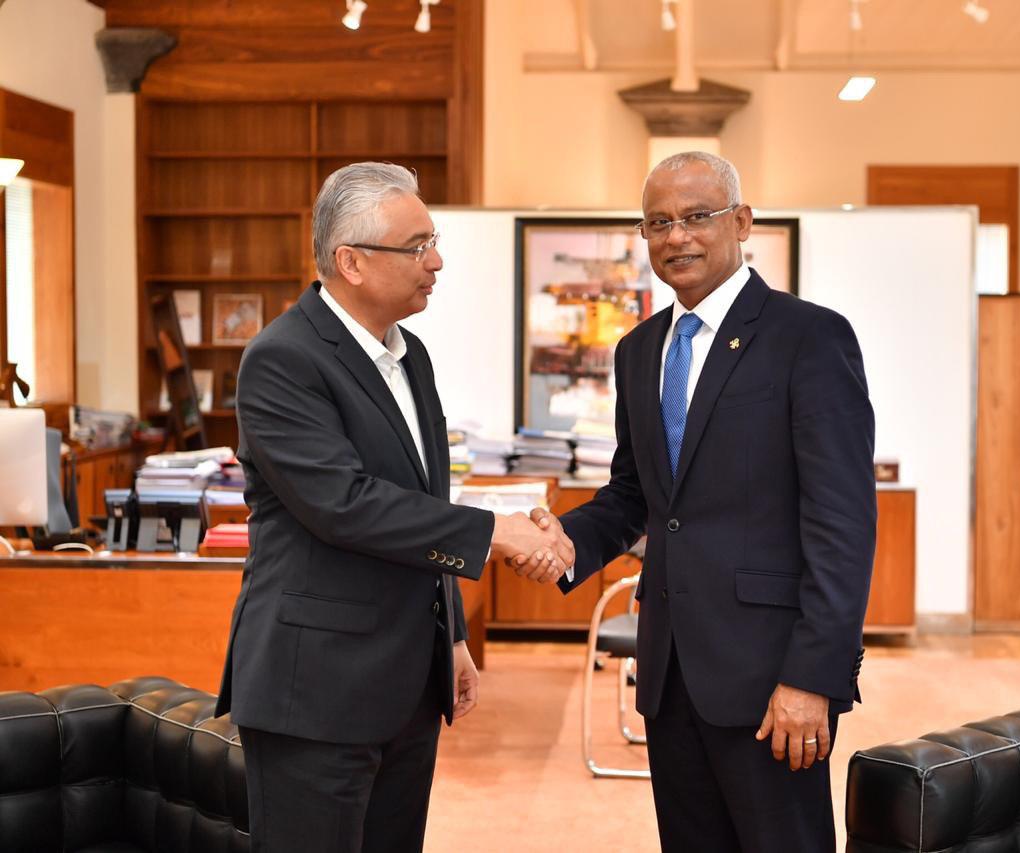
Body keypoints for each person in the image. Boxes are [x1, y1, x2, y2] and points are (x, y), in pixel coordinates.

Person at [215, 162, 572, 853]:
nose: (436, 261)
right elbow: (344, 504)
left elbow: (422, 503)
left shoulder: (412, 357)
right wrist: (495, 533)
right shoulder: (282, 359)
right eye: (416, 246)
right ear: (350, 261)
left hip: (406, 685)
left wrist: (453, 637)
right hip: (315, 693)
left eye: (433, 241)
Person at [528, 151, 876, 851]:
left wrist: (812, 677)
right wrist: (562, 542)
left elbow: (842, 525)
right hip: (669, 674)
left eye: (696, 217)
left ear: (741, 222)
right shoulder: (638, 351)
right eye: (658, 223)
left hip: (773, 679)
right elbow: (635, 494)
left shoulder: (809, 337)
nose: (676, 236)